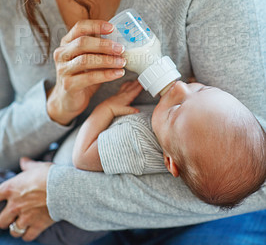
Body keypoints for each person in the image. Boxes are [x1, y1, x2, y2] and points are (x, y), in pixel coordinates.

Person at [0, 0, 265, 245]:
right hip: (41, 186)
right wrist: (53, 107)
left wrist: (63, 195)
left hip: (201, 218)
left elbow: (255, 177)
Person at [72, 79, 266, 209]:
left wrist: (106, 108)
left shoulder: (136, 142)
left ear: (169, 161)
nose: (181, 86)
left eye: (176, 109)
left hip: (71, 220)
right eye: (202, 89)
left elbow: (81, 156)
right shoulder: (184, 142)